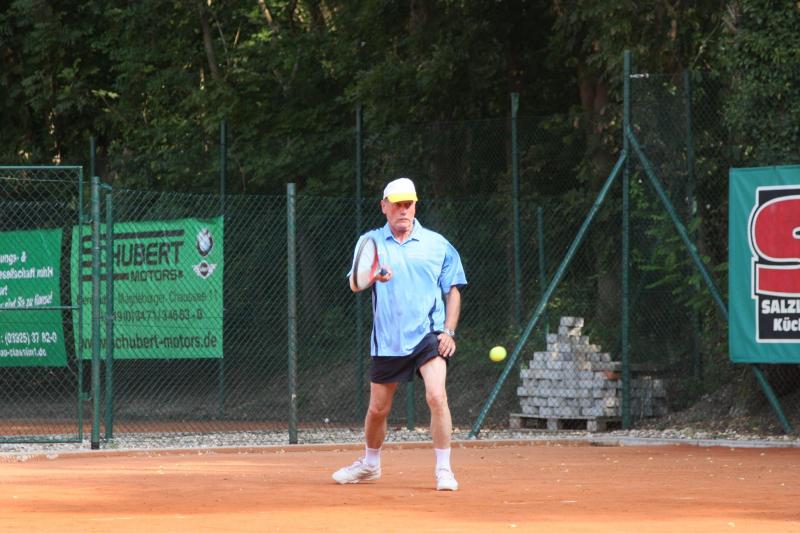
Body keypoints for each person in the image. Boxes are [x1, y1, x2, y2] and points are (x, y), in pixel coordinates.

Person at [332, 177, 467, 491]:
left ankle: (444, 470)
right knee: (378, 409)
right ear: (384, 207)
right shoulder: (371, 241)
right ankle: (370, 464)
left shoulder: (437, 244)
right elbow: (354, 283)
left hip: (428, 335)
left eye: (408, 204)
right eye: (397, 204)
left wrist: (448, 331)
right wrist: (373, 276)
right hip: (388, 339)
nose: (403, 210)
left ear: (415, 206)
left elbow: (454, 289)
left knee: (437, 396)